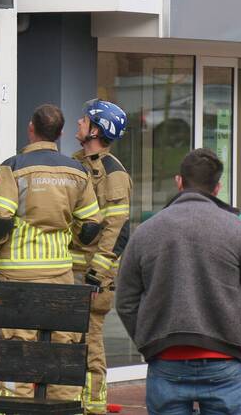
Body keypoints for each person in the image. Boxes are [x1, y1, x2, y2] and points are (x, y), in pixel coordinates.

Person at [116, 148, 241, 415]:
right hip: (224, 360)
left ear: (179, 182)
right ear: (217, 188)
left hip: (165, 359)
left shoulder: (147, 231)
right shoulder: (237, 230)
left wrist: (148, 340)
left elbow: (125, 301)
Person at [0, 103, 102, 402]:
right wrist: (71, 234)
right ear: (60, 133)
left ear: (30, 128)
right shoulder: (77, 171)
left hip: (18, 277)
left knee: (18, 356)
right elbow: (91, 226)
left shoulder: (12, 167)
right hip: (60, 278)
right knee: (60, 356)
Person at [71, 100, 132, 415]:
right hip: (71, 270)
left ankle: (93, 406)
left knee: (90, 345)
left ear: (95, 130)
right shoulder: (76, 163)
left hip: (92, 277)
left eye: (84, 120)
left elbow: (117, 229)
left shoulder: (113, 173)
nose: (78, 123)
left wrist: (97, 273)